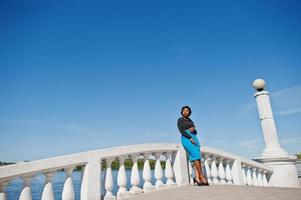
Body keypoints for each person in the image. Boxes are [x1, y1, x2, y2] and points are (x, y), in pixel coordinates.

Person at [177, 105, 209, 186]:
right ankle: (201, 176)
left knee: (197, 157)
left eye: (187, 110)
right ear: (182, 112)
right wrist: (190, 137)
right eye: (183, 110)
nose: (185, 111)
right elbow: (181, 131)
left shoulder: (191, 120)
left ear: (189, 112)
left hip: (194, 137)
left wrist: (194, 130)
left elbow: (195, 132)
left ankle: (197, 178)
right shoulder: (180, 120)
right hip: (186, 138)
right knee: (195, 155)